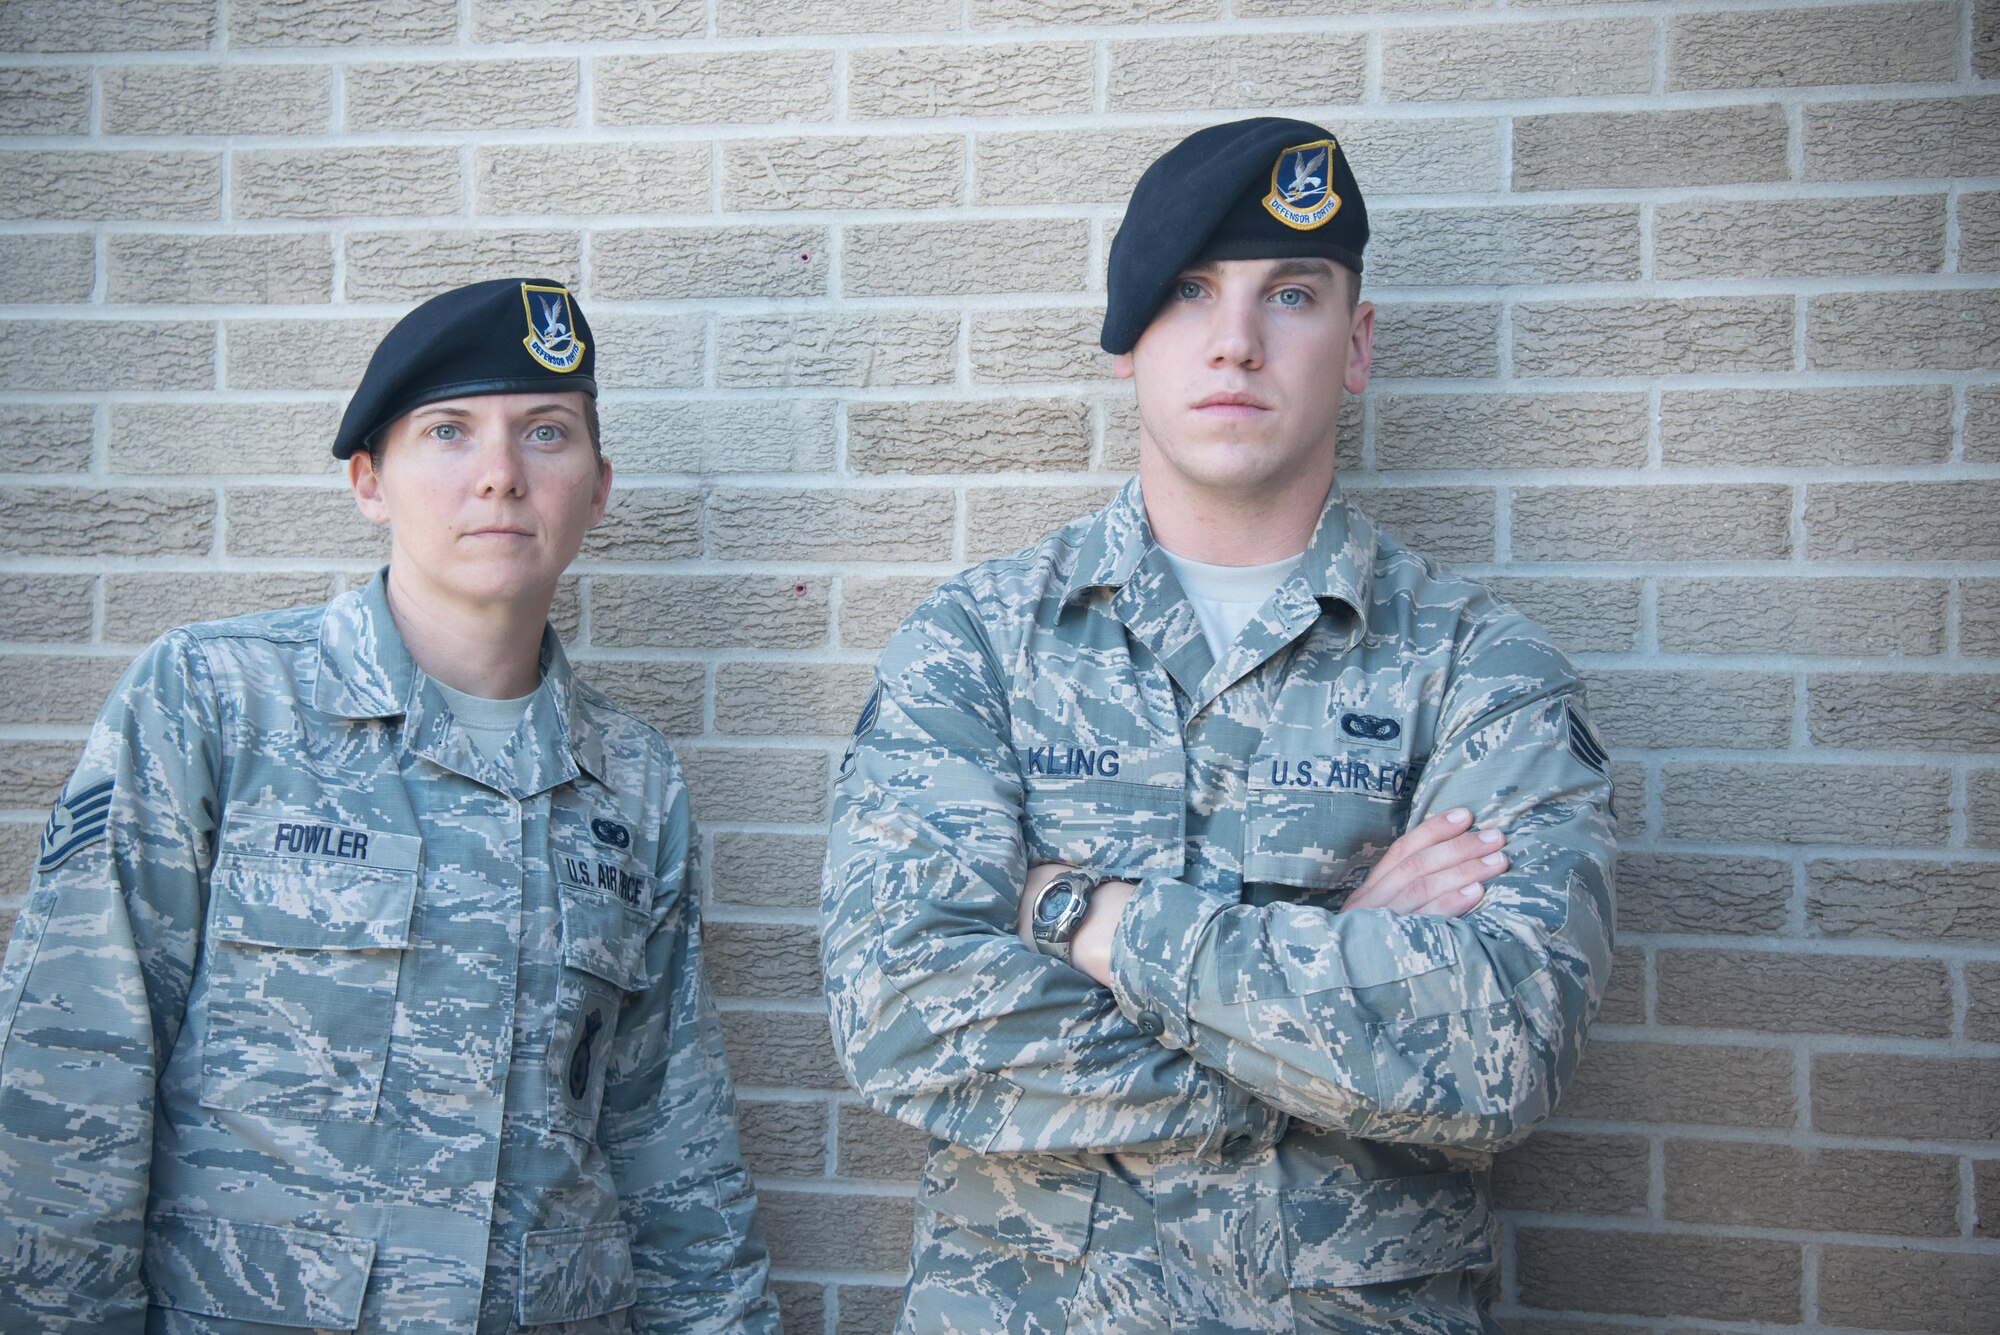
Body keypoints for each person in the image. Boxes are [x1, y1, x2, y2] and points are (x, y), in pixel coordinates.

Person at [820, 119, 1615, 1332]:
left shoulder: (1477, 668)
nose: (1235, 341)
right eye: (1188, 294)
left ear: (1353, 347)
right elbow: (901, 1019)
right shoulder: (977, 643)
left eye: (1287, 295)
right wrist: (1330, 1005)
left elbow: (1499, 1046)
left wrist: (1074, 916)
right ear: (1129, 339)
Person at [0, 279, 779, 1333]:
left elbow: (668, 1140)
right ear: (370, 482)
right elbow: (72, 1074)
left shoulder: (634, 780)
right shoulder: (213, 703)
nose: (500, 476)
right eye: (449, 432)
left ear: (596, 489)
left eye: (545, 434)